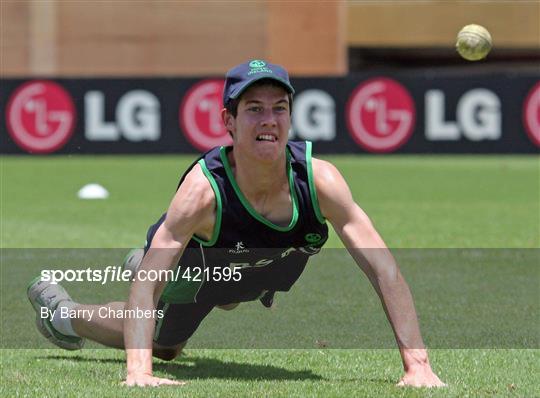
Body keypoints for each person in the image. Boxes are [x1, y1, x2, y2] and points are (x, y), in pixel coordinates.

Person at [28, 59, 445, 388]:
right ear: (228, 121)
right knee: (165, 344)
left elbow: (383, 268)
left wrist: (418, 365)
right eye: (254, 109)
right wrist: (139, 370)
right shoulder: (202, 193)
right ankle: (63, 313)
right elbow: (147, 285)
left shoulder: (321, 181)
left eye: (279, 108)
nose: (269, 120)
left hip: (253, 267)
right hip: (199, 259)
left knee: (228, 293)